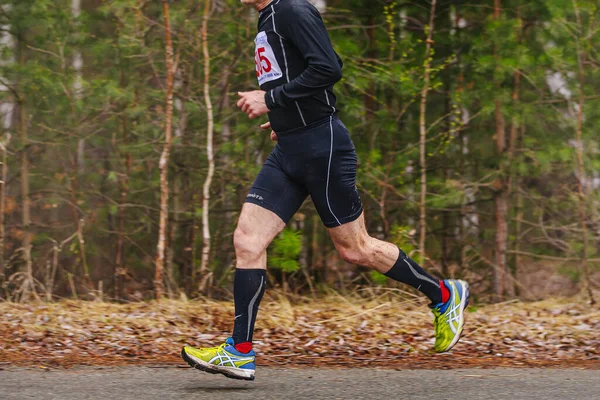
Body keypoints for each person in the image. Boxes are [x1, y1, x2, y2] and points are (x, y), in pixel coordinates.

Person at [181, 0, 469, 381]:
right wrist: (281, 115)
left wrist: (270, 100)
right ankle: (240, 351)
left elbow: (328, 68)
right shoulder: (267, 17)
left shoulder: (291, 10)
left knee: (356, 249)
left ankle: (444, 295)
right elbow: (296, 77)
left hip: (323, 148)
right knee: (247, 241)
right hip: (289, 150)